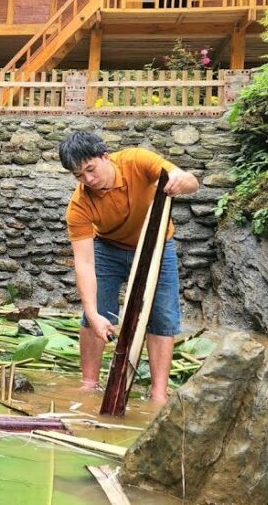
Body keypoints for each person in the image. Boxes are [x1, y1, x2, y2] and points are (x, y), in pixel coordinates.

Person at [58, 130, 199, 405]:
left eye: (91, 169)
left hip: (157, 245)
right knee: (95, 315)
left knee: (163, 317)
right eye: (79, 176)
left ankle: (158, 394)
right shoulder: (79, 205)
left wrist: (183, 181)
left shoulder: (137, 160)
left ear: (105, 157)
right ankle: (89, 384)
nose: (88, 180)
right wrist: (92, 312)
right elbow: (84, 263)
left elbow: (191, 182)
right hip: (107, 249)